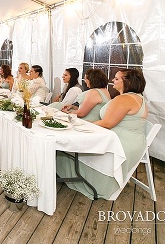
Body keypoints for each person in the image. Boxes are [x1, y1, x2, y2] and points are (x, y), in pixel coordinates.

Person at [57, 69, 149, 200]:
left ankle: (79, 177)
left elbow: (107, 123)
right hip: (135, 142)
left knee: (73, 141)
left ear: (128, 82)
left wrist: (82, 125)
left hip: (120, 144)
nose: (112, 80)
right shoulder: (138, 98)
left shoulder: (124, 99)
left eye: (116, 78)